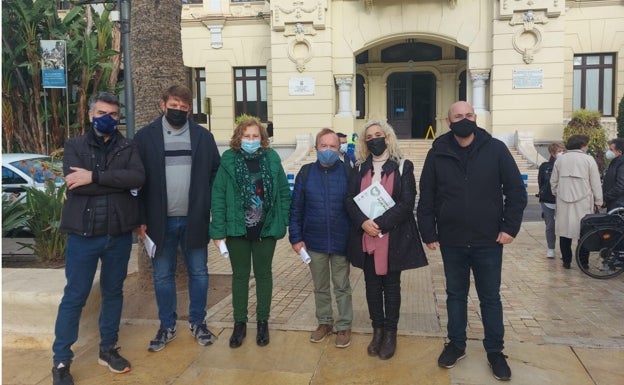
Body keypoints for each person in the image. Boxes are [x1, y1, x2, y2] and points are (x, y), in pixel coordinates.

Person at [417, 101, 526, 381]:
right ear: (447, 121)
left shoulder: (496, 149)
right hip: (451, 241)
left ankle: (495, 351)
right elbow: (426, 194)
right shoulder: (438, 152)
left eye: (469, 115)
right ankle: (456, 344)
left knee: (490, 298)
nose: (464, 120)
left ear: (475, 118)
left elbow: (516, 191)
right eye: (458, 116)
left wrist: (510, 228)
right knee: (455, 296)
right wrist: (428, 232)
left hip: (488, 241)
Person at [52, 92, 145, 385]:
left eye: (114, 114)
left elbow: (137, 179)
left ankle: (108, 349)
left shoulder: (127, 146)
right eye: (102, 113)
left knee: (113, 293)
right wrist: (112, 181)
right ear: (91, 115)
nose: (108, 118)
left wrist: (94, 177)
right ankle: (61, 359)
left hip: (116, 236)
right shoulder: (75, 145)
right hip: (83, 236)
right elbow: (74, 185)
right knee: (75, 296)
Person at [134, 84, 221, 352]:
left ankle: (198, 322)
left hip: (194, 219)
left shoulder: (203, 138)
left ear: (190, 109)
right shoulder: (144, 137)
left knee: (199, 273)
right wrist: (140, 219)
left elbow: (215, 175)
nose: (178, 111)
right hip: (159, 222)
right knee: (162, 275)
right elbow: (136, 182)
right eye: (174, 106)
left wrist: (212, 211)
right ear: (163, 105)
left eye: (184, 108)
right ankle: (166, 325)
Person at [345, 120, 428, 360]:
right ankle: (377, 331)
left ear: (388, 138)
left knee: (391, 288)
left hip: (393, 238)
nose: (374, 139)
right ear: (364, 142)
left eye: (378, 135)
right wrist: (363, 222)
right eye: (369, 136)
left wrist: (379, 223)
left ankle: (391, 333)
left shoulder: (403, 166)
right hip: (366, 237)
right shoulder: (359, 167)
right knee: (372, 287)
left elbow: (407, 202)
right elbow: (349, 199)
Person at [210, 117, 291, 348]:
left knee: (264, 275)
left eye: (256, 136)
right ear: (239, 138)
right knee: (240, 276)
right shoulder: (229, 160)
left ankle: (263, 322)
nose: (251, 140)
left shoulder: (272, 158)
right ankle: (239, 323)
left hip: (265, 229)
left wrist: (282, 221)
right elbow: (217, 196)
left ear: (262, 138)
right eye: (247, 136)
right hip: (237, 230)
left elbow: (284, 193)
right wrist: (218, 231)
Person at [289, 128, 354, 348]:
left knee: (342, 286)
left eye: (332, 146)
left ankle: (344, 325)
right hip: (313, 241)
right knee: (320, 286)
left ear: (339, 149)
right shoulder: (306, 173)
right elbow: (296, 208)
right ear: (316, 148)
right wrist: (296, 238)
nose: (328, 150)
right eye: (323, 146)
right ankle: (324, 322)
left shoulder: (348, 172)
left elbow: (355, 208)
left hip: (341, 240)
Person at [551, 134, 603, 269]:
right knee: (584, 232)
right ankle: (583, 262)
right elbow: (595, 183)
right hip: (584, 201)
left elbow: (553, 182)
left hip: (563, 201)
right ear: (582, 145)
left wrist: (558, 193)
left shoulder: (560, 160)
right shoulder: (588, 159)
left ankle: (566, 261)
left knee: (564, 232)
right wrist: (599, 200)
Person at [537, 143, 565, 258]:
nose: (561, 153)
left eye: (563, 150)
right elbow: (541, 181)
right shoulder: (545, 166)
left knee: (563, 226)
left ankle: (565, 251)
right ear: (553, 153)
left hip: (562, 200)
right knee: (550, 225)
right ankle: (551, 248)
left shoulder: (567, 165)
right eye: (559, 151)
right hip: (547, 199)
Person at [602, 138, 624, 211]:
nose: (608, 152)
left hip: (618, 205)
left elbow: (620, 186)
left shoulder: (621, 164)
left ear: (620, 152)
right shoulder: (615, 162)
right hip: (614, 203)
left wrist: (605, 197)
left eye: (611, 150)